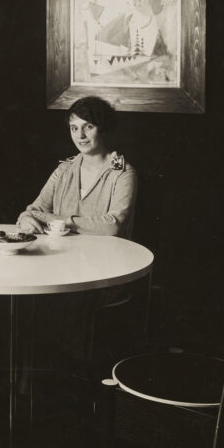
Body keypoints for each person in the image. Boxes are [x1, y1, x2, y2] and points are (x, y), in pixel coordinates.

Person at [16, 95, 138, 366]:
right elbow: (33, 209)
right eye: (74, 127)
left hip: (105, 273)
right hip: (60, 265)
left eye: (88, 127)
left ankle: (69, 376)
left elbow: (113, 224)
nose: (80, 135)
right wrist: (27, 220)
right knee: (24, 294)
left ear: (103, 128)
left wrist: (60, 219)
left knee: (63, 301)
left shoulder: (122, 173)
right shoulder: (64, 170)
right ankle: (34, 383)